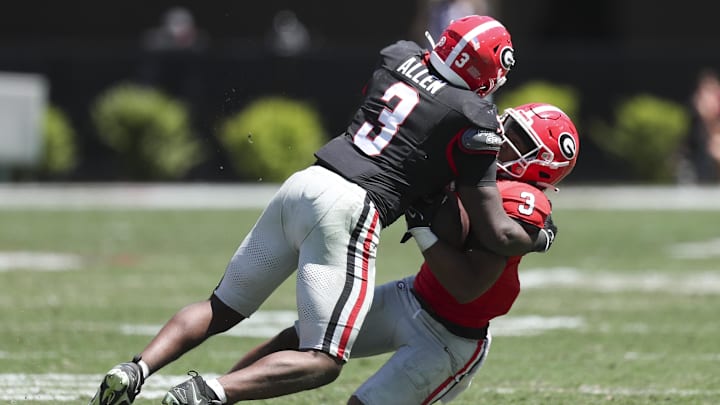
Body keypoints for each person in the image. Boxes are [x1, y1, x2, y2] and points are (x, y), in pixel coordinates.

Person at [89, 15, 554, 405]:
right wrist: (539, 236)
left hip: (306, 181)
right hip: (352, 205)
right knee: (323, 360)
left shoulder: (397, 56)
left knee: (220, 307)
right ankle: (207, 392)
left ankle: (135, 369)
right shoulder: (474, 118)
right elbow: (495, 231)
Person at [228, 102, 580, 404]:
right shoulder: (477, 164)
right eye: (509, 127)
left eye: (517, 140)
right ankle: (215, 392)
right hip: (411, 296)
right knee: (303, 338)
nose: (501, 138)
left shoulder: (518, 198)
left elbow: (466, 287)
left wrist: (424, 230)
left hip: (450, 338)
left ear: (540, 165)